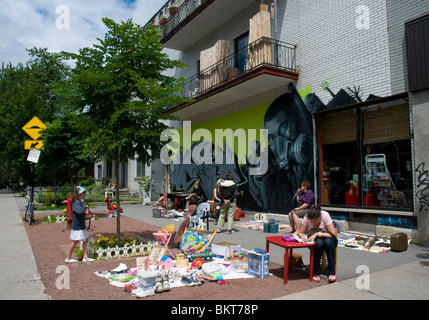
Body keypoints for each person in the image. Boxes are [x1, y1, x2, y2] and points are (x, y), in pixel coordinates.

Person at [296, 205, 337, 283]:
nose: (313, 223)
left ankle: (332, 272)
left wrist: (318, 234)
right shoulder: (306, 217)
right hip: (315, 238)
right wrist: (303, 237)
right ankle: (315, 271)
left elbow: (333, 234)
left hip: (327, 236)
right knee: (318, 244)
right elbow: (300, 232)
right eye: (311, 221)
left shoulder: (325, 215)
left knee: (328, 243)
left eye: (315, 221)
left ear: (320, 217)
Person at [65, 186, 95, 263]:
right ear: (80, 194)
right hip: (78, 226)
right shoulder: (76, 203)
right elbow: (79, 211)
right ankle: (68, 258)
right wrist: (85, 207)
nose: (84, 195)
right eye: (84, 194)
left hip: (80, 225)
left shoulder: (78, 202)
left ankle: (85, 257)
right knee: (75, 241)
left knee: (86, 239)